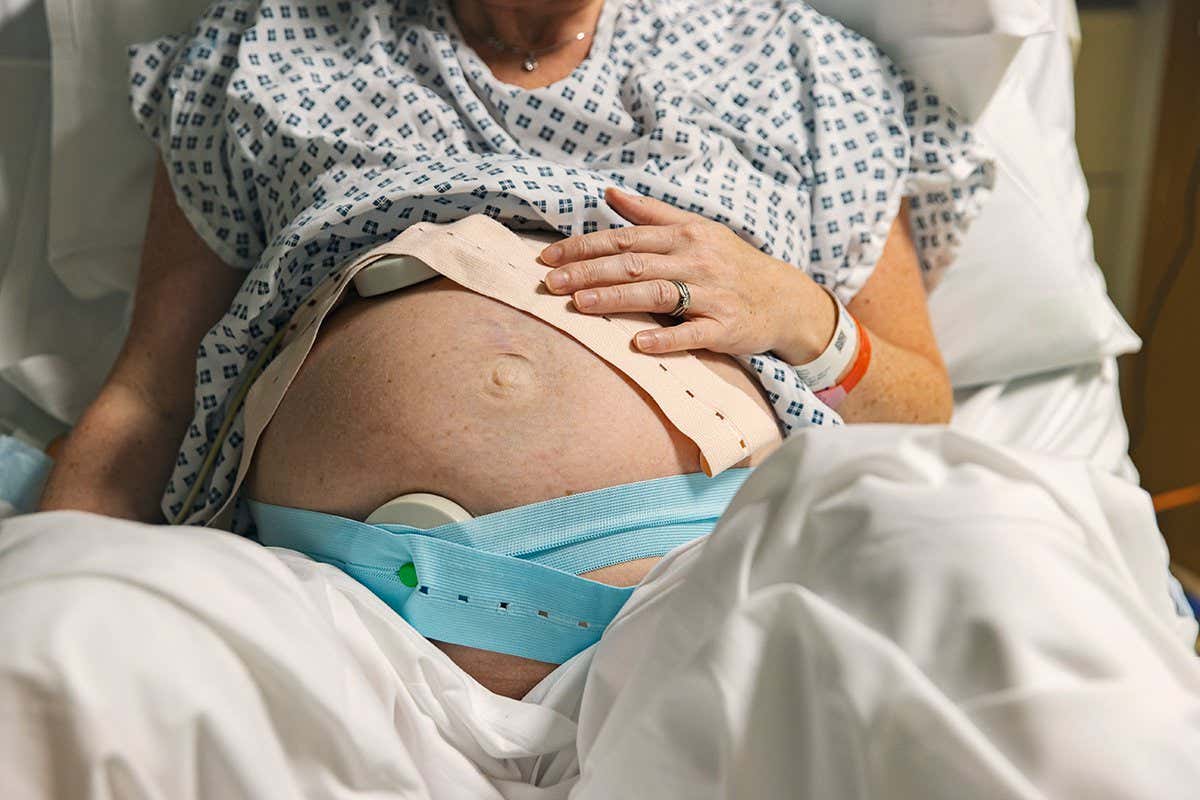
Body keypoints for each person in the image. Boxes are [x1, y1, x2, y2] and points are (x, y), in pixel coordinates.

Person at [38, 0, 990, 696]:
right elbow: (153, 395)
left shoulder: (801, 65)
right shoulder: (268, 47)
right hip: (317, 620)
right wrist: (54, 578)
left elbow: (919, 409)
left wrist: (801, 315)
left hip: (702, 615)